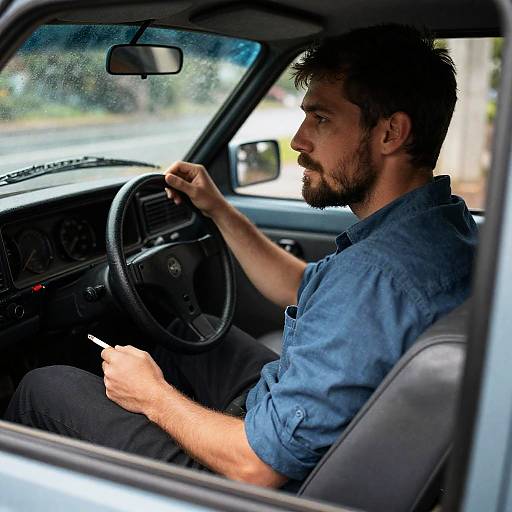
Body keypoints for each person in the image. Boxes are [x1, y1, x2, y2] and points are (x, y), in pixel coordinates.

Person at [4, 24, 478, 491]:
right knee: (183, 334)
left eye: (322, 119)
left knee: (46, 387)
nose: (298, 140)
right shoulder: (440, 228)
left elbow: (258, 468)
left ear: (391, 132)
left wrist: (151, 395)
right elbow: (306, 288)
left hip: (263, 485)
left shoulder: (374, 279)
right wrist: (219, 209)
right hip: (328, 435)